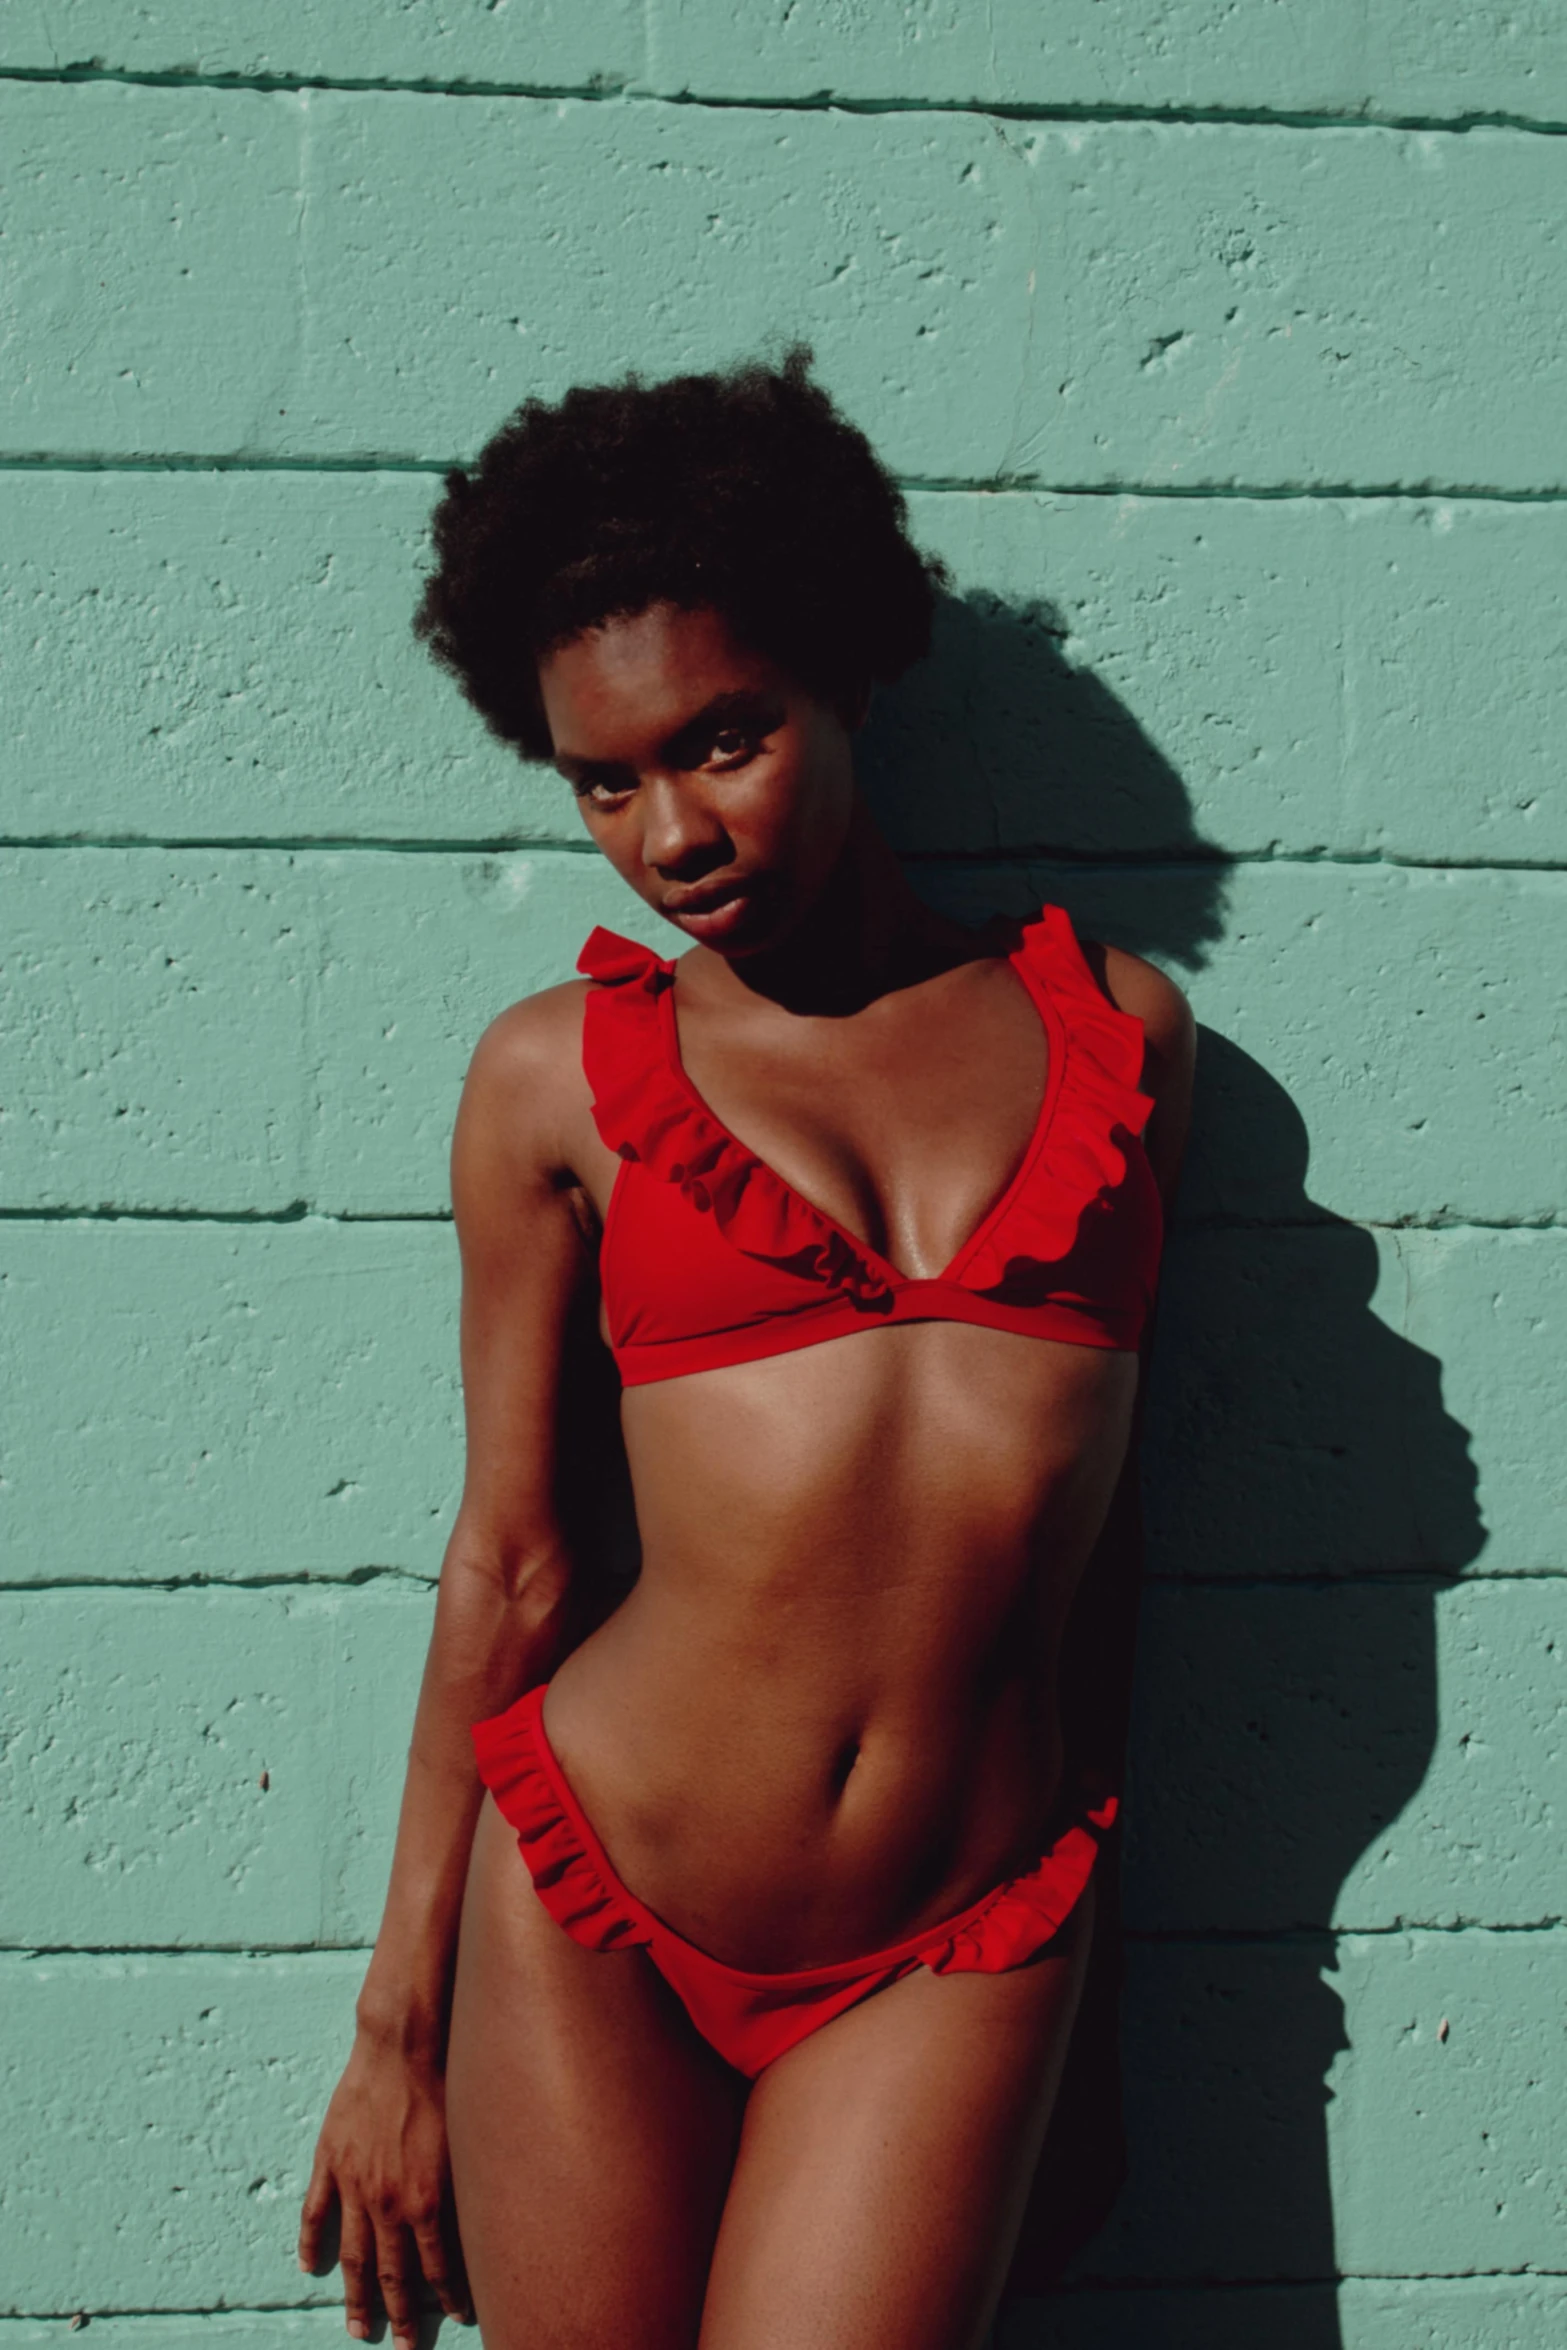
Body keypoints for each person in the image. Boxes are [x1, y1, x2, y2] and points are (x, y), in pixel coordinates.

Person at [297, 350, 1195, 2350]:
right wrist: (398, 2027)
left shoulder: (1120, 1038)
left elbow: (1105, 1549)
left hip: (961, 1934)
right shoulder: (555, 1079)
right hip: (600, 1901)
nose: (671, 829)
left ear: (849, 673)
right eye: (604, 780)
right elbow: (513, 1556)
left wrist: (1102, 1988)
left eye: (724, 738)